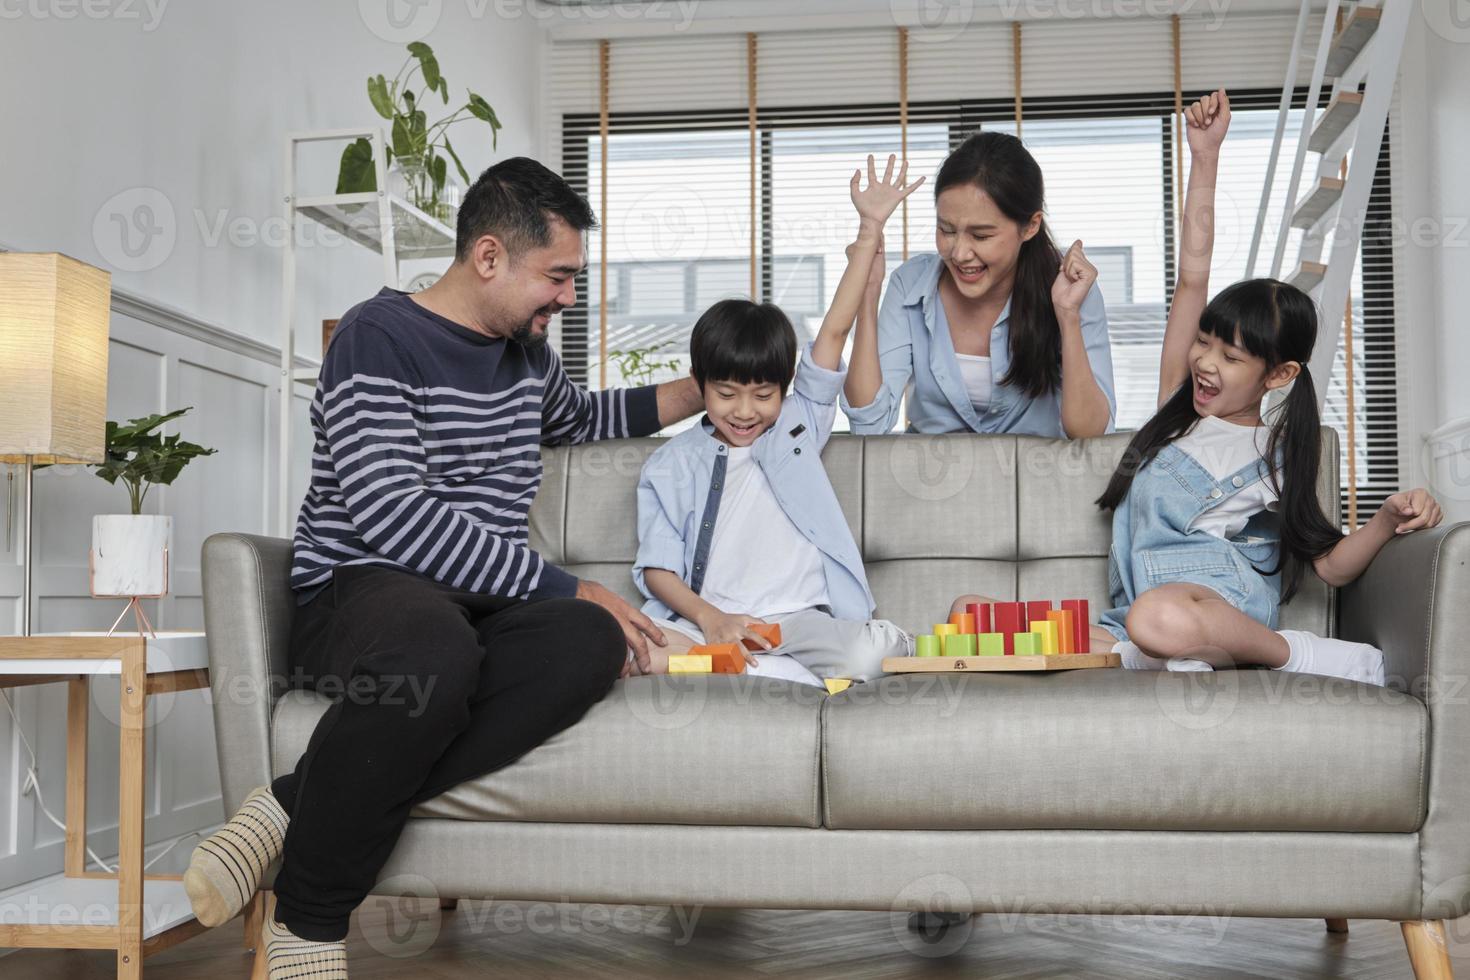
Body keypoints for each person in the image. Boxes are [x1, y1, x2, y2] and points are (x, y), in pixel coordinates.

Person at [183, 157, 705, 979]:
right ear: (490, 257)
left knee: (586, 643)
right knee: (442, 647)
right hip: (361, 592)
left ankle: (290, 803)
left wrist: (713, 386)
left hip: (470, 607)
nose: (568, 297)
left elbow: (584, 417)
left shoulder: (527, 357)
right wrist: (574, 584)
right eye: (558, 276)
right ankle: (310, 923)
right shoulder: (377, 337)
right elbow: (394, 517)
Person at [954, 89, 1442, 680]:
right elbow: (1192, 277)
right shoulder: (1178, 409)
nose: (1205, 362)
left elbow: (1333, 568)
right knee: (969, 616)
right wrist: (1204, 158)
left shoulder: (1274, 452)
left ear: (1280, 374)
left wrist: (1387, 520)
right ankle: (1174, 657)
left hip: (1216, 609)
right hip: (1135, 618)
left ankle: (1295, 654)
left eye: (1230, 356)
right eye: (1204, 342)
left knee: (1158, 617)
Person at [630, 154, 922, 684]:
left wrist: (870, 226)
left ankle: (759, 661)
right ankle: (737, 660)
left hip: (799, 625)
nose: (745, 412)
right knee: (628, 641)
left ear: (785, 389)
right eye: (726, 394)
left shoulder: (797, 424)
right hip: (712, 623)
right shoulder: (671, 465)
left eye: (763, 394)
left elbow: (833, 332)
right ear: (700, 383)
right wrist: (710, 618)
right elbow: (658, 570)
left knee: (869, 656)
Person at [842, 130, 1115, 437]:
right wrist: (867, 291)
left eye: (981, 236)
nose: (959, 253)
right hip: (928, 482)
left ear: (1030, 226)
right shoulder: (910, 286)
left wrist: (1067, 316)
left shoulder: (1070, 289)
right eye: (946, 230)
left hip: (1039, 483)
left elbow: (1090, 435)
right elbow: (868, 423)